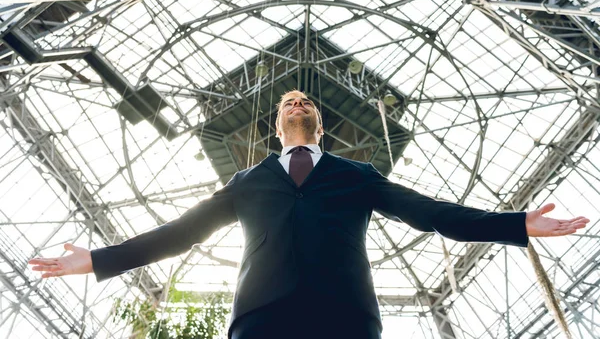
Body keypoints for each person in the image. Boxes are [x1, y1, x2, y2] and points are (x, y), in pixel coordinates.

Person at [29, 89, 589, 339]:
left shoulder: (357, 175)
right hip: (260, 320)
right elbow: (180, 234)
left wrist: (516, 223)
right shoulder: (247, 180)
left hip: (345, 318)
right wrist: (98, 259)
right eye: (287, 104)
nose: (297, 104)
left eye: (306, 103)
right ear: (276, 127)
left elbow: (432, 213)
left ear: (319, 125)